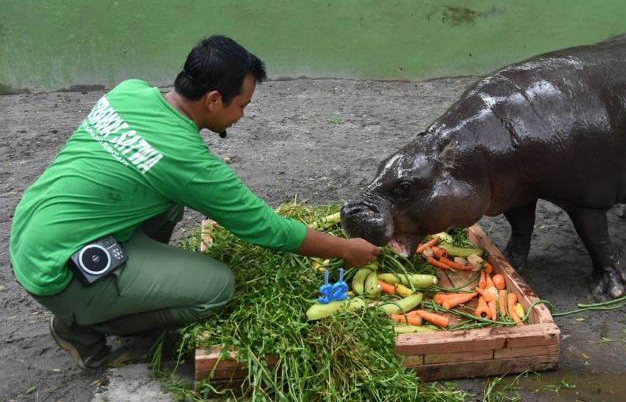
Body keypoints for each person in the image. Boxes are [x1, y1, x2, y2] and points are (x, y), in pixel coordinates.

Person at [8, 35, 380, 371]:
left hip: (31, 229)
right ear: (213, 99)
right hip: (56, 272)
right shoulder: (188, 163)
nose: (242, 115)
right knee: (217, 287)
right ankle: (82, 326)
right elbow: (266, 228)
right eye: (242, 105)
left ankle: (120, 294)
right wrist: (345, 249)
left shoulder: (129, 92)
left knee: (167, 203)